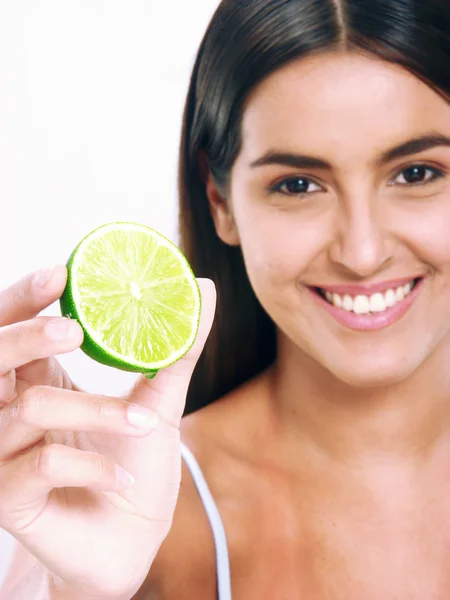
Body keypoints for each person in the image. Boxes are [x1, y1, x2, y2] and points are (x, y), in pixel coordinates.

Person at [2, 0, 450, 597]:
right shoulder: (140, 514)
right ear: (220, 202)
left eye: (417, 174)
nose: (362, 252)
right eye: (297, 185)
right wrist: (82, 591)